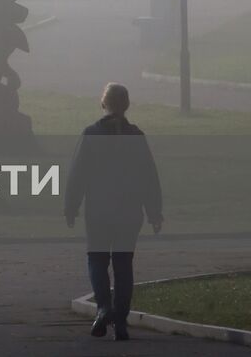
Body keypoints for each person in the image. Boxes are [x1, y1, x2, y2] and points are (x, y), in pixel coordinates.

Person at [64, 82, 164, 341]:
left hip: (98, 210)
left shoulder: (91, 135)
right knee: (123, 265)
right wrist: (154, 212)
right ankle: (120, 322)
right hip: (129, 211)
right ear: (126, 105)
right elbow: (149, 177)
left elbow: (77, 175)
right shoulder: (136, 136)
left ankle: (103, 307)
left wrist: (71, 206)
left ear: (103, 103)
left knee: (96, 259)